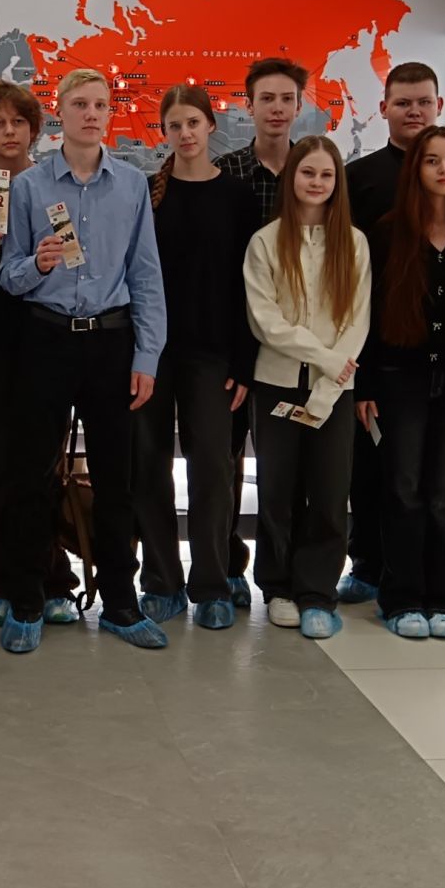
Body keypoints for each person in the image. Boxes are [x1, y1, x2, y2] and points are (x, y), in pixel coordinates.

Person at [0, 67, 167, 654]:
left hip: (111, 342)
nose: (91, 114)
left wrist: (147, 355)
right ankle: (27, 600)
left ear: (110, 114)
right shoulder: (31, 186)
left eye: (100, 105)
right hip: (47, 339)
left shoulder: (132, 185)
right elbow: (8, 275)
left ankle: (120, 602)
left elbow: (145, 275)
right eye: (80, 105)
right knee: (31, 476)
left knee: (116, 479)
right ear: (59, 113)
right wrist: (36, 265)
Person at [339, 62, 445, 605]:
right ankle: (372, 570)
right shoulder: (360, 180)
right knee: (382, 479)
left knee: (442, 489)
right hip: (390, 362)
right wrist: (363, 374)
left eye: (423, 102)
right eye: (403, 102)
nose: (414, 111)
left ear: (438, 106)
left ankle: (433, 589)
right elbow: (356, 286)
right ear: (384, 108)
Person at [134, 85, 261, 630]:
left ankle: (212, 582)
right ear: (163, 132)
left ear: (211, 126)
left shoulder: (237, 196)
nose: (184, 134)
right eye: (174, 126)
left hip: (214, 357)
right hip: (151, 352)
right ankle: (160, 581)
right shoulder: (146, 193)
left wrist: (244, 362)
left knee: (212, 467)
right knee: (149, 467)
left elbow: (250, 286)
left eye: (193, 123)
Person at [0, 81, 78, 620]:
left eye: (18, 122)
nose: (9, 132)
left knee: (46, 464)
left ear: (34, 129)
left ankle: (54, 577)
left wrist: (50, 255)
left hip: (48, 338)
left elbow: (74, 262)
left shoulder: (55, 185)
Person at [244, 136, 369, 638]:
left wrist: (331, 382)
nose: (317, 182)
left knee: (330, 491)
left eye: (326, 175)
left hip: (334, 390)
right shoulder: (265, 242)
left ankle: (318, 593)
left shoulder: (354, 243)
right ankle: (278, 588)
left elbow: (358, 320)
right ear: (291, 177)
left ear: (338, 182)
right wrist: (327, 359)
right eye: (308, 173)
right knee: (277, 490)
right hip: (276, 385)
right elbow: (265, 321)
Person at [214, 57, 310, 608]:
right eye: (266, 99)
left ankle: (286, 575)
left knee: (286, 466)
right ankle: (228, 565)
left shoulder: (314, 170)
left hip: (295, 344)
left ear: (299, 105)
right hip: (235, 336)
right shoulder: (225, 172)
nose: (276, 109)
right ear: (248, 106)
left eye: (286, 99)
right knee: (225, 458)